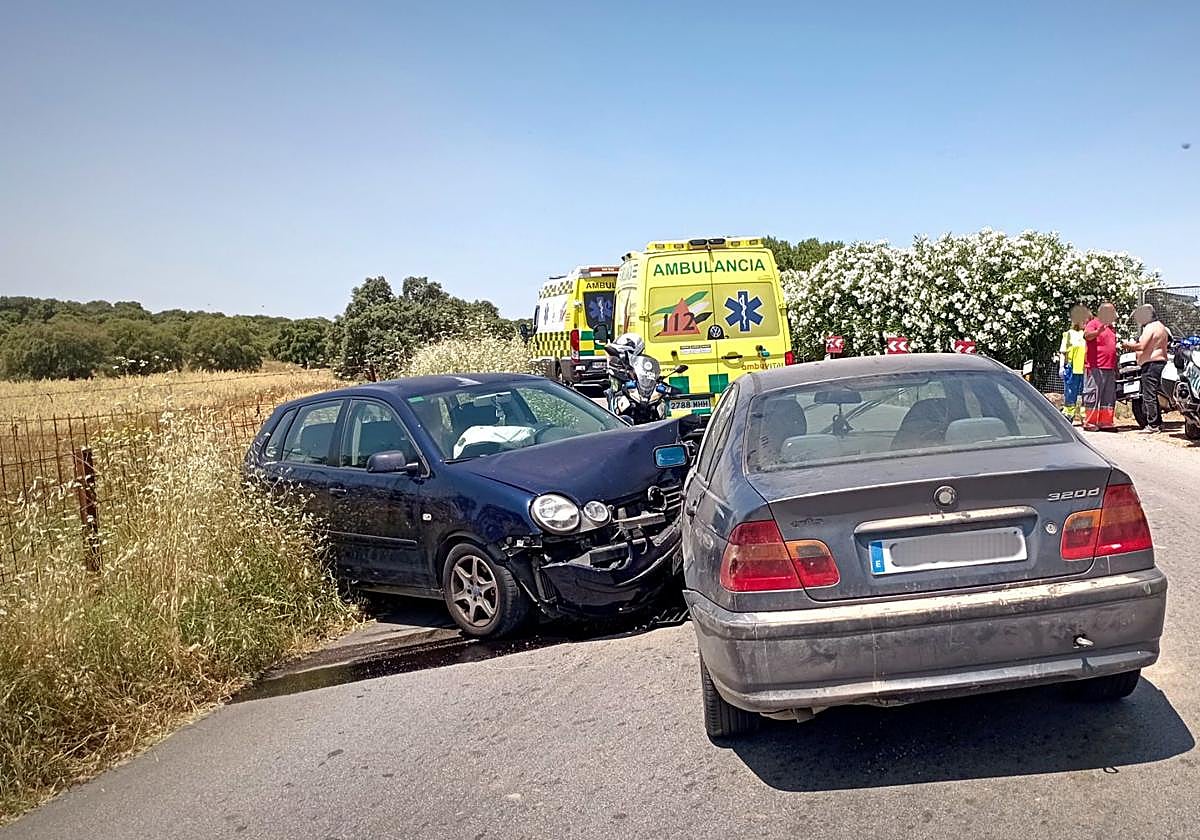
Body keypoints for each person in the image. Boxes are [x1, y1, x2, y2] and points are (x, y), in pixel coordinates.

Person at [1123, 303, 1171, 434]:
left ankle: (1153, 424)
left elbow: (1141, 346)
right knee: (1153, 394)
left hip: (1151, 365)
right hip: (1159, 363)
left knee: (1149, 395)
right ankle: (1158, 423)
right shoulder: (1161, 327)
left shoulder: (1150, 327)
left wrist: (1127, 345)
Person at [1082, 302, 1119, 431]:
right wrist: (1098, 332)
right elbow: (1086, 336)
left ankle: (1106, 422)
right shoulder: (1094, 323)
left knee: (1108, 397)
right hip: (1095, 367)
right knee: (1093, 394)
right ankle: (1090, 422)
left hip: (1109, 368)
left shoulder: (1111, 328)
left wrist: (1116, 367)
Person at [1058, 304, 1090, 424]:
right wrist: (1061, 367)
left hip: (1085, 368)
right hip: (1072, 368)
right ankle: (1068, 414)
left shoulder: (1087, 334)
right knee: (1070, 392)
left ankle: (1084, 416)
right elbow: (1063, 352)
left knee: (1085, 393)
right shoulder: (1069, 334)